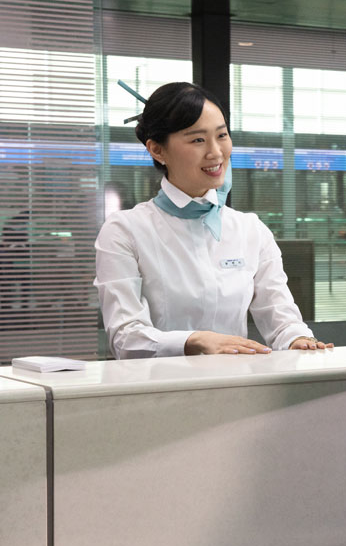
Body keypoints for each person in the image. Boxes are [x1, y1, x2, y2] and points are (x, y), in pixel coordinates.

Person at [94, 82, 331, 358]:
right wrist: (194, 340)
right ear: (157, 150)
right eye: (198, 140)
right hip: (159, 383)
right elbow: (125, 337)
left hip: (237, 381)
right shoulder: (124, 231)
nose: (216, 152)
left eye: (222, 135)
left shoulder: (250, 230)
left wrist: (298, 339)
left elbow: (281, 318)